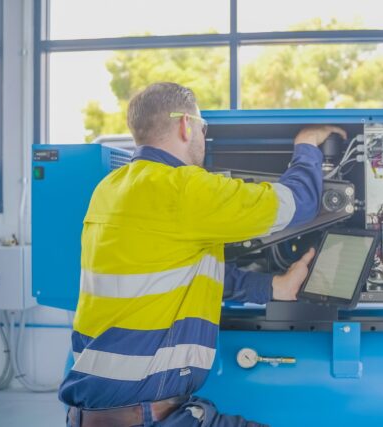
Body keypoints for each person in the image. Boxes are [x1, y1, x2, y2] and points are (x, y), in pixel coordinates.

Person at [58, 82, 346, 426]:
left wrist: (273, 288)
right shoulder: (183, 189)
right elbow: (297, 204)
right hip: (147, 416)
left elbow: (180, 272)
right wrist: (307, 145)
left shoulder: (110, 188)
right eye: (203, 127)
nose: (203, 137)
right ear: (184, 125)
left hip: (102, 412)